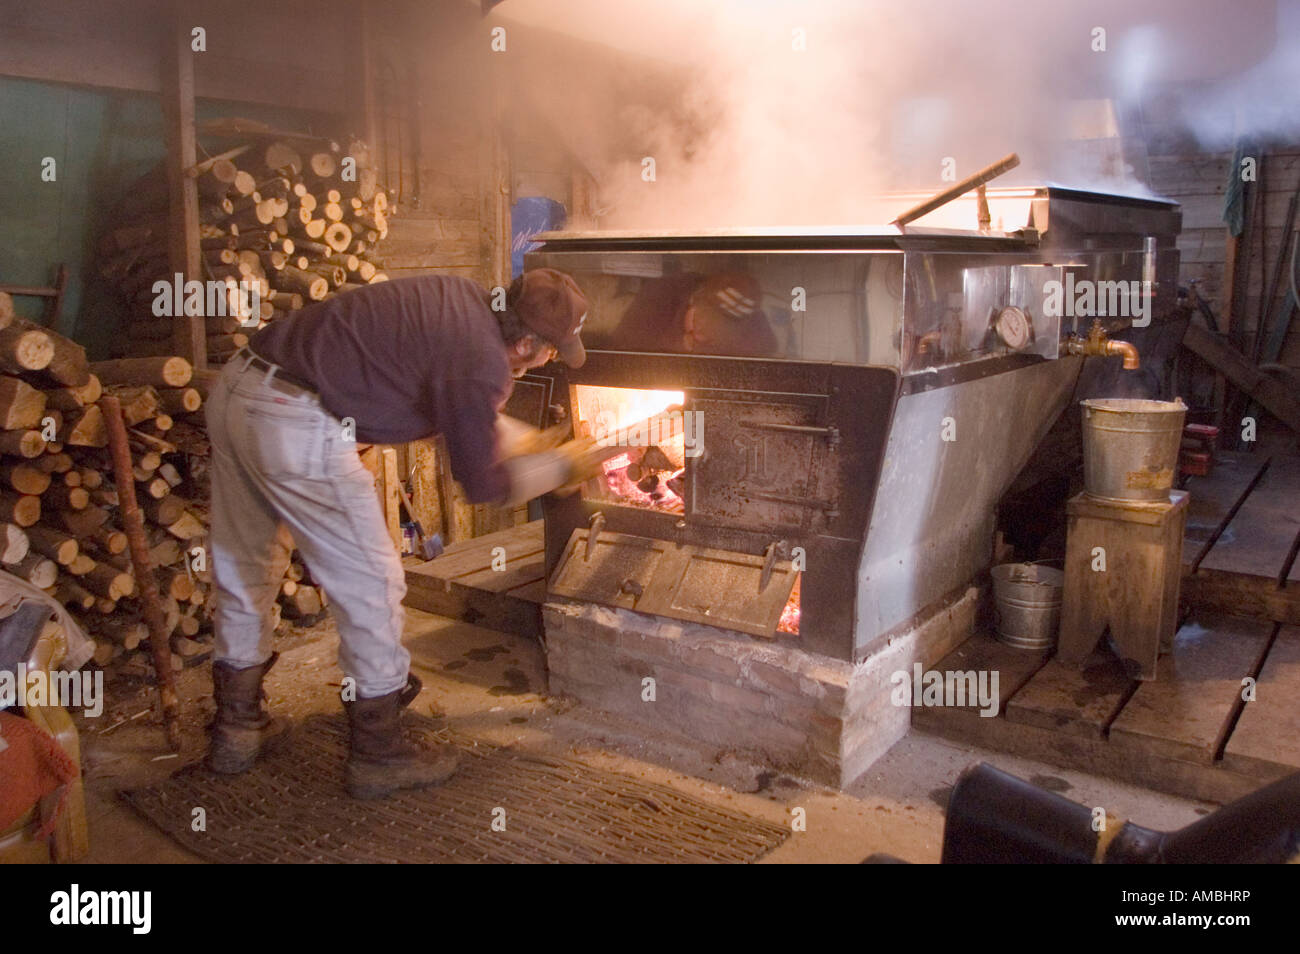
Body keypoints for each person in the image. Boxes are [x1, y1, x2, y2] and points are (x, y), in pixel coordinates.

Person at [203, 268, 596, 799]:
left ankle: (237, 728)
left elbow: (456, 401)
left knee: (244, 563)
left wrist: (531, 443)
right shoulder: (480, 364)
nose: (551, 360)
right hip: (296, 423)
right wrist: (560, 468)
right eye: (552, 350)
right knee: (372, 583)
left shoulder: (460, 297)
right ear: (526, 342)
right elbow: (481, 482)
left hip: (238, 390)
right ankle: (380, 753)